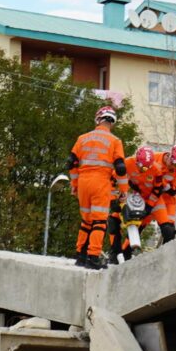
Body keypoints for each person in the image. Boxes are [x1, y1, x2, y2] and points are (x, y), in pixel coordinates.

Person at [68, 106, 127, 269]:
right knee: (99, 221)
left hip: (83, 183)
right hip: (101, 182)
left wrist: (74, 184)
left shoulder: (82, 138)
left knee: (86, 221)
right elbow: (121, 168)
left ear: (98, 119)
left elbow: (71, 162)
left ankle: (80, 255)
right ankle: (93, 257)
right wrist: (123, 191)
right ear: (112, 122)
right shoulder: (115, 141)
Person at [145, 145, 176, 243]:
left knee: (169, 231)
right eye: (173, 163)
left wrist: (161, 182)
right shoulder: (155, 158)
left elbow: (175, 190)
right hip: (152, 197)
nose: (174, 167)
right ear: (169, 156)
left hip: (169, 201)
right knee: (140, 223)